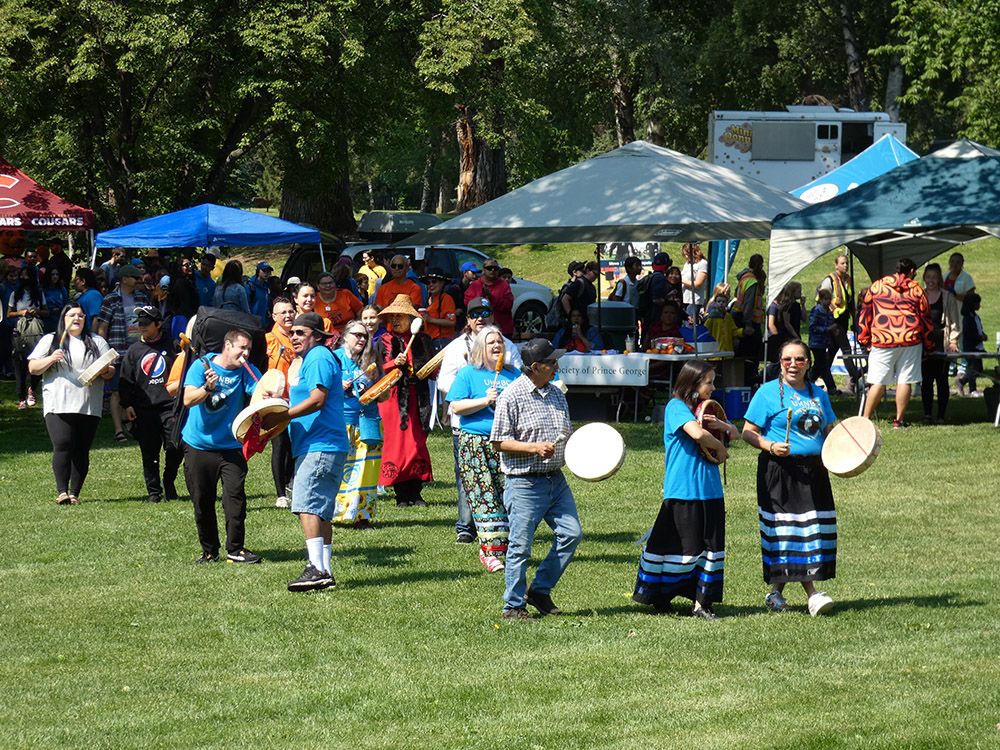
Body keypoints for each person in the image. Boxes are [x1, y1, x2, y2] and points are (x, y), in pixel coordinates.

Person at [633, 360, 738, 619]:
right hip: (682, 490)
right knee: (676, 545)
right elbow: (697, 435)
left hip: (710, 490)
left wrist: (724, 428)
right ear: (692, 383)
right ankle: (659, 595)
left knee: (709, 547)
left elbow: (734, 433)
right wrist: (720, 448)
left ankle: (702, 602)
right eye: (708, 382)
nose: (713, 387)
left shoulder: (703, 411)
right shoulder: (676, 407)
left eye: (713, 382)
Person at [744, 341, 839, 620]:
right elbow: (748, 432)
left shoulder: (819, 395)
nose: (793, 365)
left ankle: (775, 593)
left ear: (808, 363)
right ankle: (813, 595)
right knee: (791, 532)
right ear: (780, 362)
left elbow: (830, 431)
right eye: (787, 360)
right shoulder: (767, 393)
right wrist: (771, 446)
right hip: (780, 471)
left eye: (799, 359)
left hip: (815, 471)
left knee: (811, 530)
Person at [491, 338, 580, 620]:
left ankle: (540, 590)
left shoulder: (556, 394)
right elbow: (498, 441)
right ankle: (513, 605)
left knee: (571, 534)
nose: (556, 366)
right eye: (551, 362)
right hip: (524, 483)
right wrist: (534, 448)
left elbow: (567, 434)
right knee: (520, 546)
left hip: (556, 480)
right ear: (534, 366)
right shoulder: (511, 396)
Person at [437, 297, 523, 544]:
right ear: (468, 319)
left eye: (485, 313)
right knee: (470, 481)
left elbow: (519, 383)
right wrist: (478, 396)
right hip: (469, 430)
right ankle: (466, 527)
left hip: (504, 436)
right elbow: (445, 382)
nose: (480, 318)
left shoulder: (508, 348)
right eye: (475, 314)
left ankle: (505, 530)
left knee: (503, 483)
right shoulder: (457, 348)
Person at [181, 328, 262, 564]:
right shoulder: (202, 365)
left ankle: (235, 550)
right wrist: (207, 389)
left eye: (249, 349)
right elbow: (187, 400)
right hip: (199, 445)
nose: (246, 353)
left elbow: (260, 392)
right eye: (241, 348)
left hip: (231, 446)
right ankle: (209, 551)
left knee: (235, 498)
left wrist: (268, 390)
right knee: (202, 500)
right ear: (227, 345)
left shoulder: (246, 371)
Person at [285, 312, 349, 591]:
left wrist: (284, 415)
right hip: (322, 443)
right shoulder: (315, 358)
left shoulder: (319, 356)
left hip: (320, 444)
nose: (294, 336)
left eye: (300, 332)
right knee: (320, 511)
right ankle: (324, 571)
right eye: (292, 332)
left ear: (316, 335)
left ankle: (315, 568)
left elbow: (317, 399)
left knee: (307, 505)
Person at [447, 326, 519, 572]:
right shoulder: (469, 374)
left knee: (507, 496)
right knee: (484, 496)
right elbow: (456, 407)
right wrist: (484, 401)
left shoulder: (514, 375)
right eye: (491, 342)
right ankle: (490, 552)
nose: (497, 345)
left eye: (499, 341)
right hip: (475, 443)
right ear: (480, 348)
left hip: (506, 443)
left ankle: (504, 547)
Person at [27, 304, 114, 504]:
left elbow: (110, 372)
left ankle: (74, 493)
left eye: (81, 315)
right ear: (63, 318)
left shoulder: (97, 341)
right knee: (63, 443)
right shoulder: (51, 340)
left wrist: (104, 371)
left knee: (82, 448)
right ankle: (62, 491)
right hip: (58, 402)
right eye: (72, 315)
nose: (77, 318)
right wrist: (50, 358)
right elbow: (33, 367)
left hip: (88, 403)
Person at [375, 294, 435, 506]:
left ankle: (415, 491)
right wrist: (393, 363)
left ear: (412, 319)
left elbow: (430, 370)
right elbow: (376, 371)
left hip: (417, 398)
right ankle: (401, 493)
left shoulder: (424, 341)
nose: (396, 320)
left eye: (401, 316)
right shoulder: (384, 341)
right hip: (393, 400)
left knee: (416, 444)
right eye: (394, 316)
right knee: (397, 444)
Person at [859, 258, 933, 428]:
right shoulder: (916, 290)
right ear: (912, 271)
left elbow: (865, 313)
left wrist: (864, 339)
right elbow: (926, 319)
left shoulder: (877, 286)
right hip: (910, 338)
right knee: (904, 379)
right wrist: (929, 344)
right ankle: (898, 421)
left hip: (883, 338)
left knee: (878, 380)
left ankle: (865, 419)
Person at [119, 305, 182, 503]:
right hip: (144, 409)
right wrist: (127, 404)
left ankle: (169, 479)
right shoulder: (134, 351)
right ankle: (154, 492)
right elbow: (125, 380)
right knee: (149, 452)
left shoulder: (173, 346)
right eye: (140, 323)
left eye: (146, 323)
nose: (142, 326)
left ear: (158, 324)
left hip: (169, 406)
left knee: (175, 447)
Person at [332, 321, 383, 530]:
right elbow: (320, 386)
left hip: (368, 421)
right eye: (357, 335)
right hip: (343, 421)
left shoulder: (369, 361)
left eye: (365, 336)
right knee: (342, 467)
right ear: (345, 336)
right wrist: (338, 386)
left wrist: (382, 388)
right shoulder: (335, 358)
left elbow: (382, 394)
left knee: (367, 469)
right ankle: (337, 513)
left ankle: (362, 516)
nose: (362, 339)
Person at [95, 264, 150, 441]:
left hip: (140, 352)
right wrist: (104, 352)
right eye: (135, 278)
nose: (138, 281)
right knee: (116, 391)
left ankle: (134, 424)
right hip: (117, 352)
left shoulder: (142, 298)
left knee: (138, 390)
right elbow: (102, 327)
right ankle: (118, 429)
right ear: (124, 279)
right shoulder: (110, 299)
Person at [918, 263, 960, 423]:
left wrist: (953, 341)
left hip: (942, 341)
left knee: (942, 380)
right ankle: (927, 414)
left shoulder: (947, 296)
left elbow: (955, 321)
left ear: (939, 279)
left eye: (934, 277)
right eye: (928, 277)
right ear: (924, 278)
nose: (931, 280)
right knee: (926, 380)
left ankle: (941, 415)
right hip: (924, 343)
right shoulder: (919, 295)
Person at [266, 297, 297, 508]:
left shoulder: (298, 335)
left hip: (296, 397)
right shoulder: (267, 338)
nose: (287, 316)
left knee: (294, 442)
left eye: (290, 311)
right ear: (274, 316)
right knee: (279, 444)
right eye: (282, 313)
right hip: (275, 398)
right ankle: (280, 493)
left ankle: (291, 483)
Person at [817, 254, 861, 390]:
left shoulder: (848, 280)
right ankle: (855, 378)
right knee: (846, 349)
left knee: (831, 353)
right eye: (842, 263)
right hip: (833, 322)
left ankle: (813, 377)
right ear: (836, 265)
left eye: (847, 263)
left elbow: (850, 301)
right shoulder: (830, 280)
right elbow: (821, 299)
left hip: (843, 321)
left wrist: (855, 320)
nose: (846, 266)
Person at [8, 264, 48, 409]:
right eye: (22, 275)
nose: (24, 278)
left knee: (36, 359)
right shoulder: (15, 294)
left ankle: (32, 389)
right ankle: (21, 396)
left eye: (26, 275)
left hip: (35, 331)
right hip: (20, 331)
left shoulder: (39, 293)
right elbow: (9, 313)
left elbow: (46, 312)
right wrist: (21, 313)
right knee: (19, 362)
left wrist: (36, 311)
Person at [733, 254, 766, 377]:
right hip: (748, 322)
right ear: (759, 265)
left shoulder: (744, 277)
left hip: (739, 317)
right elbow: (748, 303)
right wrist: (748, 324)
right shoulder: (752, 281)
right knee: (750, 353)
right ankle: (749, 378)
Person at [464, 258, 515, 336]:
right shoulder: (475, 285)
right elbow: (468, 304)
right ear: (484, 270)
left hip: (502, 330)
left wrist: (491, 297)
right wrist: (481, 298)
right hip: (480, 330)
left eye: (495, 268)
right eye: (489, 268)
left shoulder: (504, 285)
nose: (492, 270)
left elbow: (508, 305)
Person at [765, 281, 804, 377]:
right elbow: (787, 323)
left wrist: (803, 305)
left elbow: (804, 318)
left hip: (795, 333)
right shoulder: (787, 306)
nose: (801, 293)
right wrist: (795, 336)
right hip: (789, 336)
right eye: (799, 291)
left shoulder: (797, 305)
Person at [808, 289, 839, 394]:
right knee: (824, 365)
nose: (828, 301)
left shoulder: (829, 312)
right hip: (816, 343)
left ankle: (808, 381)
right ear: (821, 299)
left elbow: (832, 323)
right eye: (826, 299)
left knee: (819, 365)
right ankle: (831, 387)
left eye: (830, 299)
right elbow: (813, 327)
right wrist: (827, 329)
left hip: (825, 342)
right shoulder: (816, 310)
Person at [956, 292, 986, 396]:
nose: (979, 305)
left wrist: (983, 335)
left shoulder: (975, 317)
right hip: (971, 347)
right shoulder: (968, 318)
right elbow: (969, 334)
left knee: (978, 369)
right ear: (972, 304)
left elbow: (978, 329)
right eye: (977, 303)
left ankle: (963, 381)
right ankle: (972, 389)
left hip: (978, 347)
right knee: (972, 369)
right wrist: (979, 337)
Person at [421, 268, 457, 350]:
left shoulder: (446, 299)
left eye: (434, 281)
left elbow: (451, 322)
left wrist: (430, 320)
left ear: (442, 283)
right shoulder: (428, 299)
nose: (431, 285)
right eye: (428, 282)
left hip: (443, 340)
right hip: (429, 340)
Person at [702, 283, 741, 353]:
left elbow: (733, 330)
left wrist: (742, 332)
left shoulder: (728, 316)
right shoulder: (712, 316)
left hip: (726, 350)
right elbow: (706, 331)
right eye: (719, 301)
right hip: (715, 350)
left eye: (723, 302)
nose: (721, 303)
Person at [679, 243, 709, 320]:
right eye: (685, 255)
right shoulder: (687, 264)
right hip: (684, 299)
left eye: (688, 254)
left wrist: (681, 280)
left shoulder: (702, 263)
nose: (686, 257)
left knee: (690, 323)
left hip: (694, 300)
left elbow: (698, 284)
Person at [41, 268, 69, 333]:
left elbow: (66, 304)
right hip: (46, 321)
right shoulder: (43, 289)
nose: (55, 276)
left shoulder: (62, 289)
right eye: (53, 274)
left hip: (59, 319)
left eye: (57, 274)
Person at [247, 261, 273, 326]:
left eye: (268, 271)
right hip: (252, 323)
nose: (267, 273)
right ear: (258, 271)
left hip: (263, 322)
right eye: (264, 271)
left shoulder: (266, 286)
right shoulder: (250, 286)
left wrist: (267, 310)